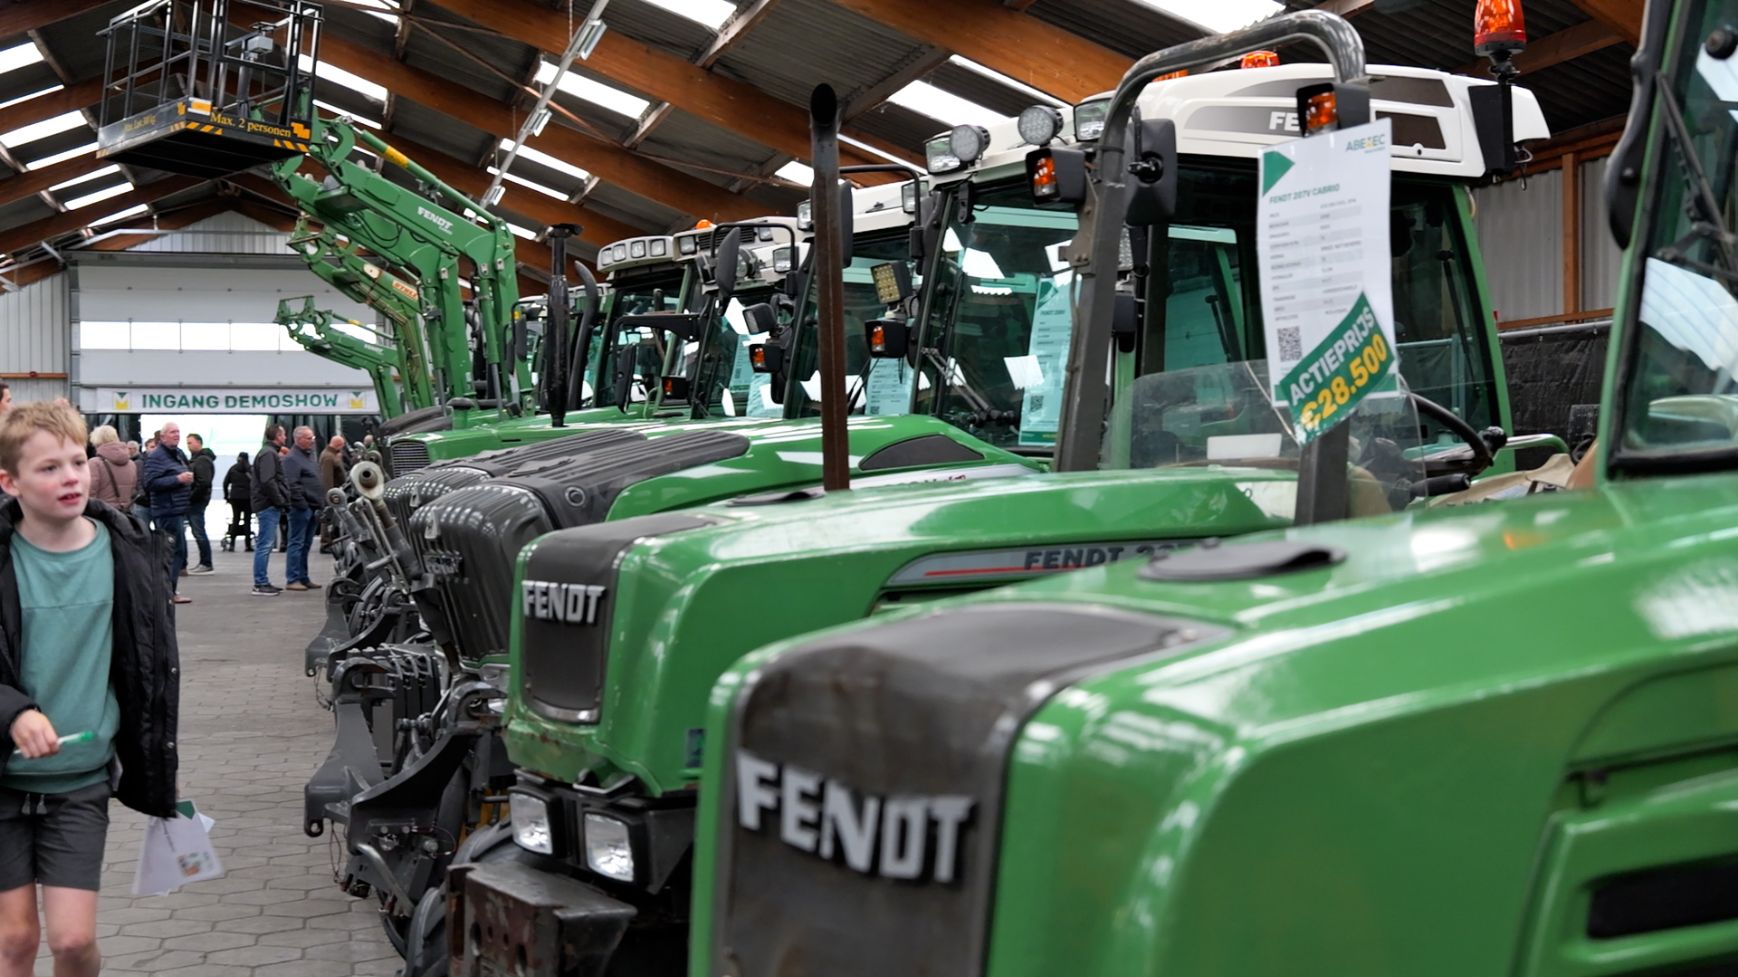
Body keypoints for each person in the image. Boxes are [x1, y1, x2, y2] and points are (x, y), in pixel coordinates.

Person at [0, 401, 180, 977]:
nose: (70, 478)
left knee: (74, 941)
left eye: (77, 462)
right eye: (48, 468)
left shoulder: (127, 551)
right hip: (2, 779)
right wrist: (14, 712)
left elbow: (149, 665)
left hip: (80, 778)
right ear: (10, 482)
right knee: (15, 940)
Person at [140, 423, 193, 605]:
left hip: (177, 509)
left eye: (178, 432)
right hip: (167, 510)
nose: (176, 435)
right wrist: (177, 479)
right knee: (172, 552)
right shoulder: (157, 457)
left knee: (177, 552)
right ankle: (167, 592)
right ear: (162, 437)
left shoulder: (177, 454)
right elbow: (149, 483)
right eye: (172, 432)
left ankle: (169, 590)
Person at [281, 427, 323, 592]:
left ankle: (303, 577)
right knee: (296, 543)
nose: (312, 441)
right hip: (301, 508)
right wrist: (302, 504)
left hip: (312, 507)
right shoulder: (292, 459)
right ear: (298, 439)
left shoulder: (309, 456)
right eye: (308, 438)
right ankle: (293, 579)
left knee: (305, 544)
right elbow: (291, 484)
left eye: (312, 438)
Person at [250, 424, 289, 596]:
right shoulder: (269, 454)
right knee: (265, 545)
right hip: (268, 504)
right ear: (278, 436)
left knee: (264, 544)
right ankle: (260, 583)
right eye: (284, 434)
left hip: (267, 503)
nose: (285, 437)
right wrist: (279, 500)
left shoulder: (268, 452)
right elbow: (268, 480)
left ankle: (262, 581)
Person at [183, 434, 215, 574]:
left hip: (196, 501)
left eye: (190, 442)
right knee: (198, 531)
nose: (188, 445)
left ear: (199, 443)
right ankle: (205, 562)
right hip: (197, 500)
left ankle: (206, 562)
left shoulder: (202, 460)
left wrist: (191, 497)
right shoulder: (198, 460)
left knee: (198, 531)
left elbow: (203, 482)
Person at [86, 426, 135, 514]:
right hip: (124, 514)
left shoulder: (94, 463)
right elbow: (132, 490)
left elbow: (90, 493)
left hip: (103, 514)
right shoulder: (131, 463)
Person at [318, 436, 346, 553]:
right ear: (339, 445)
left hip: (335, 491)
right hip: (333, 492)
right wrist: (330, 495)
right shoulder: (329, 457)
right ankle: (326, 542)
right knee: (328, 516)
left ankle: (329, 541)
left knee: (331, 516)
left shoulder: (331, 455)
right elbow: (327, 478)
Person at [223, 452, 253, 552]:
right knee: (247, 521)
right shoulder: (250, 469)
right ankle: (248, 545)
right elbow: (255, 483)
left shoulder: (233, 469)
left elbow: (225, 483)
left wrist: (226, 496)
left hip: (235, 497)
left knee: (236, 519)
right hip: (248, 498)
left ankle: (232, 544)